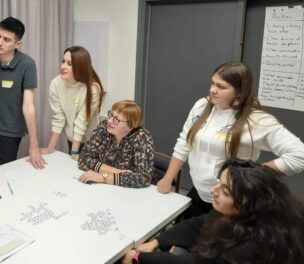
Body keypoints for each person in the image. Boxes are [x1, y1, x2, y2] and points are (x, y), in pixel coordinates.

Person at [157, 62, 304, 219]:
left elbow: (299, 155)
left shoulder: (255, 120)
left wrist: (250, 174)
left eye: (221, 87)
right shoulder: (202, 106)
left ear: (239, 92)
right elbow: (184, 143)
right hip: (200, 192)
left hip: (231, 202)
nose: (213, 90)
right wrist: (167, 178)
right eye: (213, 83)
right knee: (182, 236)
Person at [122, 159, 304, 263]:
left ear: (247, 202)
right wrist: (158, 241)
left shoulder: (255, 245)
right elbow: (199, 224)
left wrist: (139, 257)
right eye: (219, 182)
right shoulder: (247, 211)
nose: (213, 191)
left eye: (224, 190)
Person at [0, 16, 45, 169]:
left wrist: (33, 146)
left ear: (18, 44)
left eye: (6, 39)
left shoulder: (27, 65)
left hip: (9, 134)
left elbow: (29, 106)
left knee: (4, 176)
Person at [40, 46, 104, 160]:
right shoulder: (55, 84)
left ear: (80, 66)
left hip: (93, 140)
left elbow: (82, 121)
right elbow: (59, 117)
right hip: (72, 138)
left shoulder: (93, 89)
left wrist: (75, 152)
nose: (63, 66)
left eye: (69, 64)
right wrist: (50, 148)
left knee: (88, 174)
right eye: (63, 61)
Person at [78, 100, 154, 188]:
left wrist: (103, 177)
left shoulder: (142, 137)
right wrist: (119, 172)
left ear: (131, 125)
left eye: (116, 119)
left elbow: (144, 178)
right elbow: (83, 159)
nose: (110, 121)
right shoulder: (104, 127)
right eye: (111, 115)